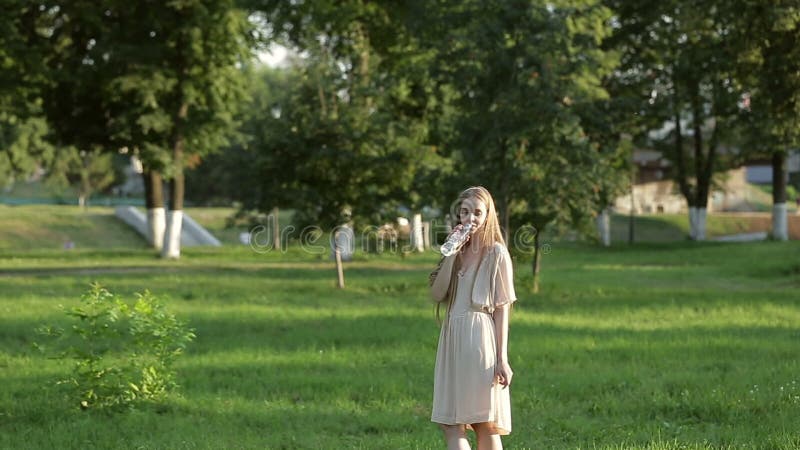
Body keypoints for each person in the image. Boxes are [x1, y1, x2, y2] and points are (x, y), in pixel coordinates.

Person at [429, 186, 517, 450]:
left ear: (488, 215)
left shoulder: (496, 253)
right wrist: (451, 252)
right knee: (452, 423)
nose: (470, 218)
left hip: (479, 336)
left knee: (484, 422)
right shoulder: (455, 251)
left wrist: (502, 358)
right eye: (465, 212)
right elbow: (437, 294)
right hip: (452, 336)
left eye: (478, 213)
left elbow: (502, 309)